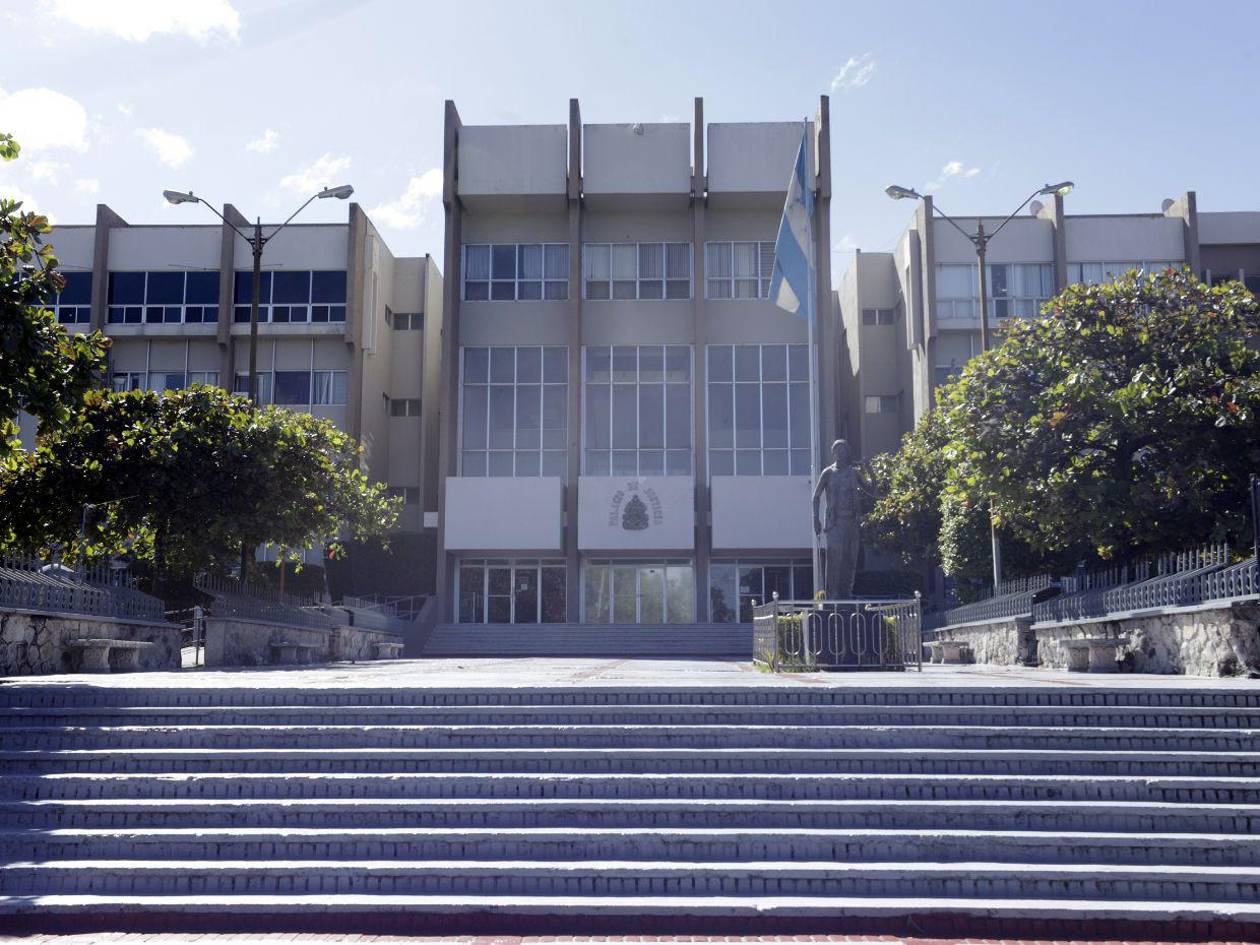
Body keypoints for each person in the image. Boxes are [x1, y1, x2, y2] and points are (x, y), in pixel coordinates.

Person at [811, 438, 868, 598]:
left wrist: (869, 471)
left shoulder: (853, 473)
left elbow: (872, 490)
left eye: (844, 450)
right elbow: (816, 496)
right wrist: (815, 518)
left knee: (850, 560)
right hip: (834, 524)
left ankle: (846, 595)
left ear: (847, 453)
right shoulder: (828, 473)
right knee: (834, 559)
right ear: (833, 453)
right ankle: (831, 597)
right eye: (838, 450)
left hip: (852, 522)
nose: (841, 453)